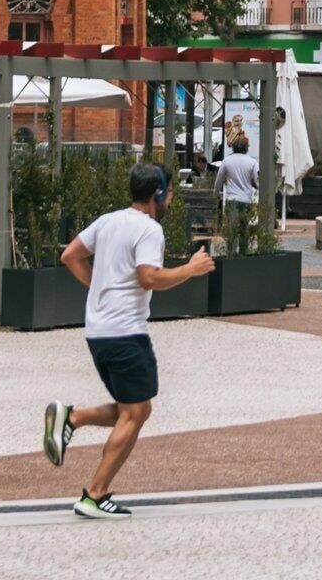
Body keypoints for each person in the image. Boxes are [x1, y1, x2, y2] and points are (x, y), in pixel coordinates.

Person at [43, 161, 217, 519]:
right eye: (169, 192)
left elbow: (70, 255)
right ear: (156, 194)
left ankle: (71, 418)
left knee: (134, 409)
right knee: (136, 411)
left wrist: (99, 288)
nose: (170, 197)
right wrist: (190, 269)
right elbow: (149, 277)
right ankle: (94, 494)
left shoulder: (108, 221)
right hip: (125, 332)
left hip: (98, 332)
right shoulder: (149, 230)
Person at [217, 122, 262, 230]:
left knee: (231, 231)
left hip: (231, 200)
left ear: (233, 147)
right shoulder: (252, 162)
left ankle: (231, 247)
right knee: (244, 232)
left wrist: (216, 192)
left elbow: (219, 180)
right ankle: (244, 247)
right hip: (246, 200)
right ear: (247, 148)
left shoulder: (227, 161)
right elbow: (258, 181)